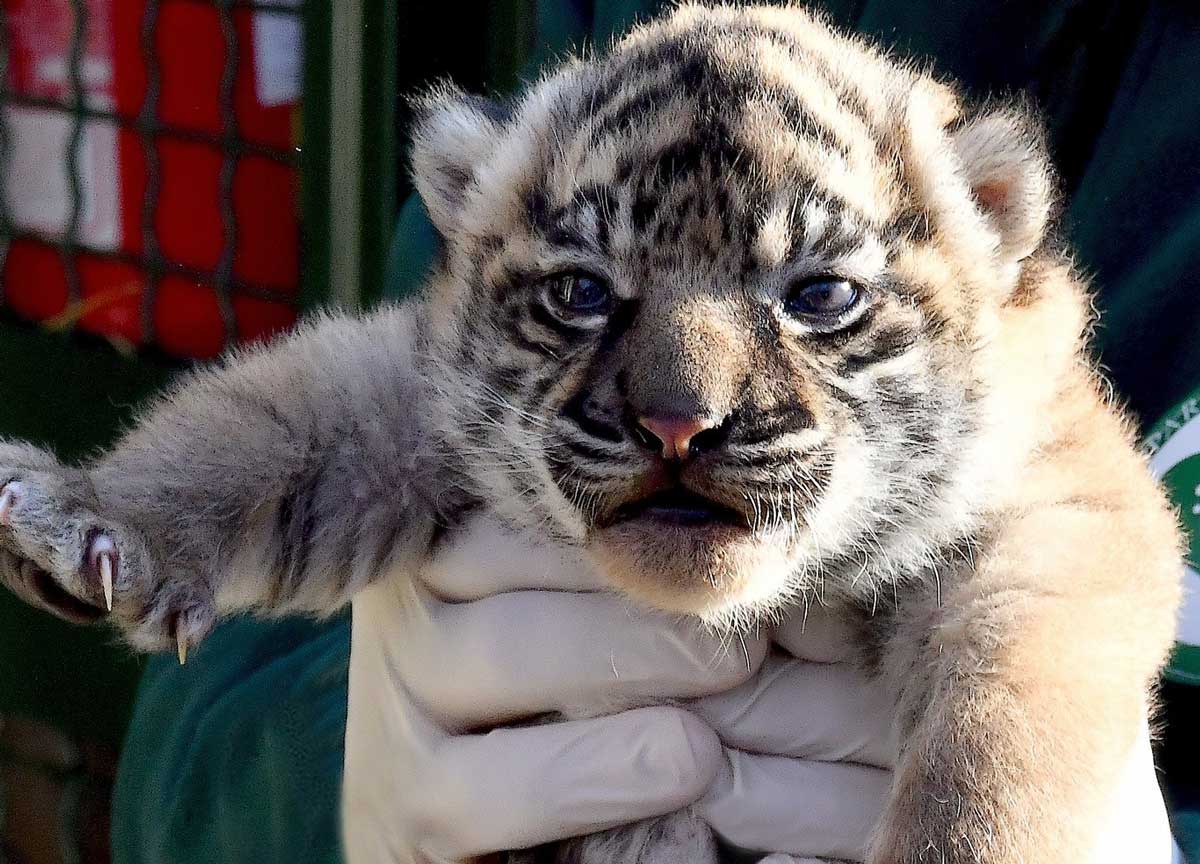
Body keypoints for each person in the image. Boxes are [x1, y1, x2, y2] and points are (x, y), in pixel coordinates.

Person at [111, 2, 1200, 862]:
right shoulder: (603, 61)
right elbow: (189, 751)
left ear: (999, 220)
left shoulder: (1031, 426)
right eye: (586, 293)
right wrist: (337, 789)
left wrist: (1038, 809)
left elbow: (1069, 579)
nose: (682, 411)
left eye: (818, 300)